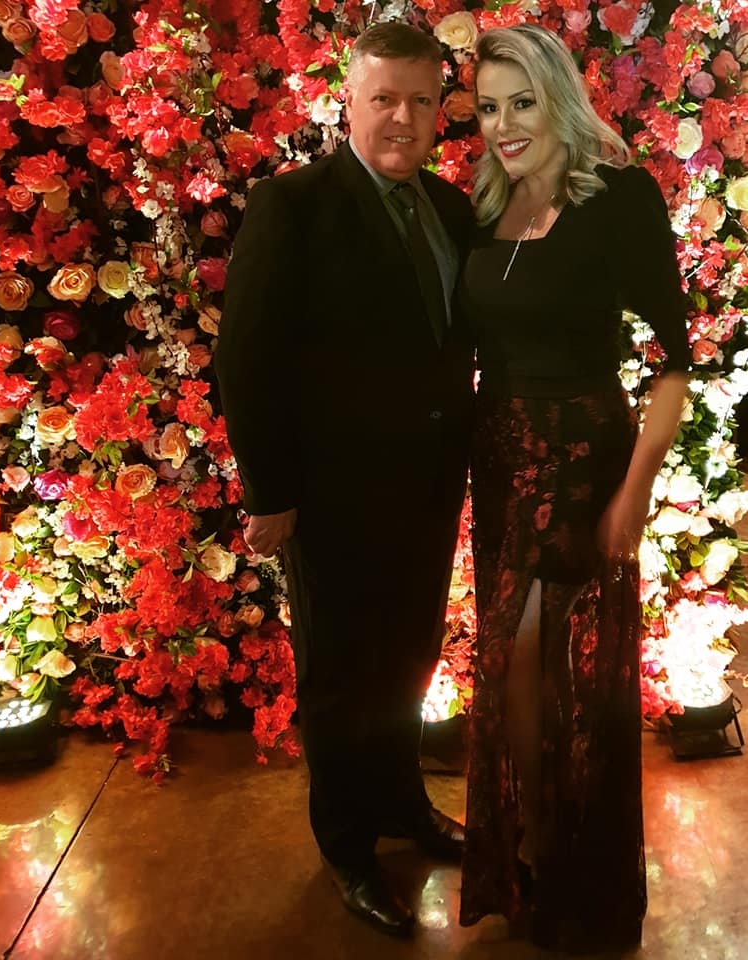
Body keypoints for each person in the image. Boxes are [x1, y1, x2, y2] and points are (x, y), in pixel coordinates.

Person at [215, 22, 475, 939]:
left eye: (419, 100)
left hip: (428, 487)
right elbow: (247, 358)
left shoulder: (449, 207)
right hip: (331, 498)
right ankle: (348, 846)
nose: (401, 117)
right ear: (349, 103)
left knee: (409, 659)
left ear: (439, 109)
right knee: (339, 677)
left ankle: (401, 803)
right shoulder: (292, 204)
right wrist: (270, 493)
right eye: (383, 98)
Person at [458, 24, 690, 955]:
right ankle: (534, 840)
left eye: (520, 102)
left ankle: (561, 851)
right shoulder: (481, 205)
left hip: (584, 453)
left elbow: (674, 363)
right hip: (498, 455)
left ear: (557, 97)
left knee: (543, 658)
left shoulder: (619, 198)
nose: (503, 125)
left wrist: (634, 491)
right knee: (512, 660)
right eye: (487, 108)